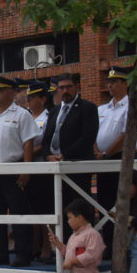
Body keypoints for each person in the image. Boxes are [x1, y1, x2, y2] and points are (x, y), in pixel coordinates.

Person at [0, 76, 39, 267]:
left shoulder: (22, 114)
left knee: (19, 214)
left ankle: (23, 253)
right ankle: (0, 252)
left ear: (12, 93)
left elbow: (28, 143)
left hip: (13, 169)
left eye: (1, 91)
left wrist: (26, 170)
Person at [95, 66, 137, 259]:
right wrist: (98, 152)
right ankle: (108, 243)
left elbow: (126, 135)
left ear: (125, 83)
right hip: (102, 159)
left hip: (121, 158)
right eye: (109, 81)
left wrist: (106, 152)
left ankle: (125, 245)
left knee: (125, 203)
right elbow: (94, 132)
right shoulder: (102, 108)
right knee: (105, 203)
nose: (110, 85)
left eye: (114, 81)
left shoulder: (133, 107)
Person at [42, 73, 99, 241]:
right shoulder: (54, 111)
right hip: (55, 167)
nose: (64, 91)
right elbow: (46, 139)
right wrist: (47, 156)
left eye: (68, 87)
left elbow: (88, 137)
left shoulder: (87, 108)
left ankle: (87, 245)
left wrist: (65, 155)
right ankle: (65, 247)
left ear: (77, 87)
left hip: (77, 167)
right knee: (61, 209)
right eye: (61, 87)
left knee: (80, 209)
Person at [25, 81, 55, 263]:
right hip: (26, 167)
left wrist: (26, 153)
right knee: (30, 208)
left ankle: (46, 246)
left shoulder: (48, 117)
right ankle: (34, 244)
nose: (29, 100)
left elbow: (45, 143)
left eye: (33, 97)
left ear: (43, 99)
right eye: (27, 97)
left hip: (40, 167)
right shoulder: (25, 116)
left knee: (44, 209)